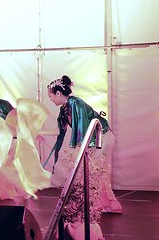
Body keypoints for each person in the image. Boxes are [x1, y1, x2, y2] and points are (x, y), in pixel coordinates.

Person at [45, 75, 121, 239]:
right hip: (92, 140)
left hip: (102, 138)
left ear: (58, 94)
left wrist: (81, 151)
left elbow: (83, 129)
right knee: (93, 174)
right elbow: (61, 132)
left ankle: (90, 210)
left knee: (92, 174)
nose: (49, 98)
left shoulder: (75, 103)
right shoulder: (64, 109)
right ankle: (106, 205)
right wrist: (41, 134)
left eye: (50, 95)